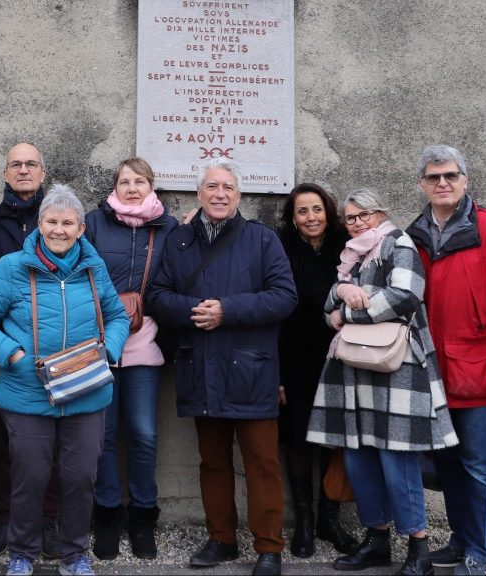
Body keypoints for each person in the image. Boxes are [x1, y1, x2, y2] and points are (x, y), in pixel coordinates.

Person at [0, 183, 131, 576]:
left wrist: (109, 351)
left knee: (79, 479)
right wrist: (13, 355)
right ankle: (21, 552)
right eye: (52, 221)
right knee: (30, 477)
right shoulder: (11, 267)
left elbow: (118, 317)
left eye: (67, 223)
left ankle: (75, 555)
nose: (59, 229)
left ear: (80, 228)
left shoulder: (94, 268)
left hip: (86, 393)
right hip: (27, 394)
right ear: (40, 224)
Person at [147, 158, 297, 576]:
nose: (219, 193)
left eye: (228, 187)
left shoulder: (262, 240)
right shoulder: (177, 242)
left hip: (252, 370)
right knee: (212, 462)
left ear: (239, 195)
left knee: (262, 463)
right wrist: (197, 309)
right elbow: (157, 295)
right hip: (202, 368)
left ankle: (269, 547)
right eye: (212, 186)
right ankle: (222, 540)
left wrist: (227, 311)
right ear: (199, 193)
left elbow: (284, 296)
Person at [306, 188, 458, 575]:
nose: (357, 222)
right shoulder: (352, 254)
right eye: (351, 217)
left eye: (364, 215)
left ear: (379, 213)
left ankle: (418, 547)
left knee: (396, 459)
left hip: (397, 369)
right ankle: (376, 541)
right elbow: (328, 305)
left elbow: (405, 296)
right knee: (359, 457)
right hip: (356, 368)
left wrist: (349, 314)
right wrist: (342, 291)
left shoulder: (398, 242)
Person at [406, 145, 486, 576]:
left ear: (465, 181)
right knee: (449, 465)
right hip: (433, 373)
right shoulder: (415, 232)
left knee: (478, 466)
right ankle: (461, 542)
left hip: (480, 375)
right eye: (434, 176)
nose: (443, 183)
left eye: (451, 176)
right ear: (423, 183)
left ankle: (483, 552)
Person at [83, 157, 177, 560]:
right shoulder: (93, 221)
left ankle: (142, 515)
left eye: (140, 181)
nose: (132, 188)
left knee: (142, 433)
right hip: (98, 340)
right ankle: (106, 513)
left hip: (145, 341)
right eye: (125, 182)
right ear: (114, 187)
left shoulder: (169, 226)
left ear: (152, 186)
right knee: (102, 436)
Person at [0, 142, 62, 560]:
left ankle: (48, 522)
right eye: (16, 165)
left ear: (43, 173)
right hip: (4, 354)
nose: (24, 170)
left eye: (31, 164)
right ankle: (6, 521)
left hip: (59, 355)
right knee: (6, 443)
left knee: (57, 444)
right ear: (6, 173)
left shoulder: (62, 221)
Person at [275, 183, 357, 559]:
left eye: (317, 209)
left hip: (340, 357)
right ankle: (305, 523)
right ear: (293, 218)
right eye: (303, 211)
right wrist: (274, 371)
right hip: (293, 359)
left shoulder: (349, 248)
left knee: (335, 438)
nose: (311, 217)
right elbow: (274, 311)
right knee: (297, 438)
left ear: (329, 211)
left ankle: (330, 517)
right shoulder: (280, 249)